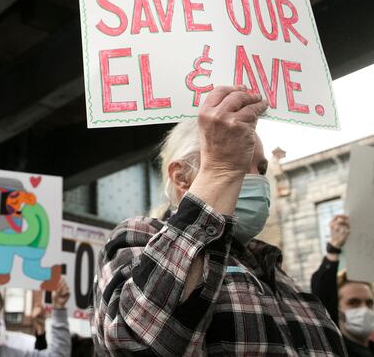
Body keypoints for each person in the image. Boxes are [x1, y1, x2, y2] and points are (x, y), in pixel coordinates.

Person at [93, 86, 347, 355]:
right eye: (238, 160)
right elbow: (137, 342)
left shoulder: (279, 277)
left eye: (261, 168)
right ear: (181, 178)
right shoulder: (140, 236)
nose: (257, 178)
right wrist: (221, 169)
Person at [311, 214, 374, 357]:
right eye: (353, 302)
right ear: (337, 309)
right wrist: (334, 247)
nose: (364, 309)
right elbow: (323, 292)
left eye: (369, 303)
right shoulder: (334, 351)